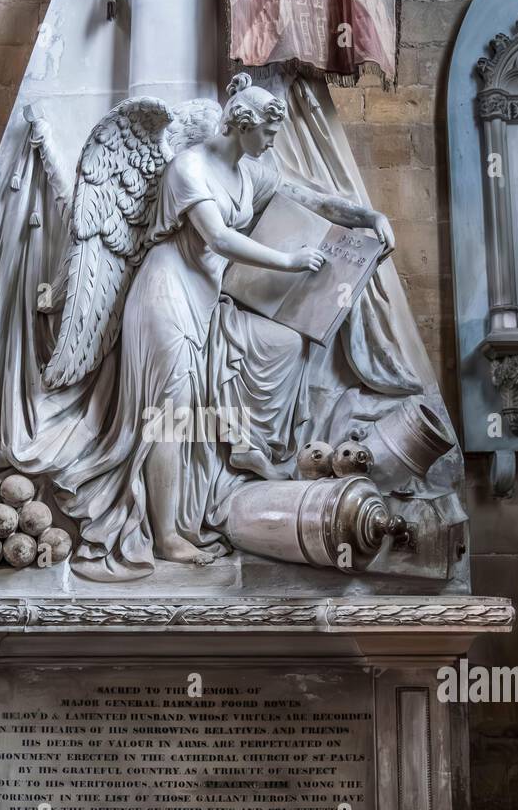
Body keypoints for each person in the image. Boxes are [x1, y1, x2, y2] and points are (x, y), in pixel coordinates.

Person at [55, 74, 395, 580]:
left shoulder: (247, 171)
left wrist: (369, 216)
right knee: (165, 419)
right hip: (165, 295)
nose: (274, 144)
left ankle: (184, 517)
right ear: (243, 125)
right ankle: (166, 537)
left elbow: (311, 199)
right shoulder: (188, 167)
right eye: (269, 135)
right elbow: (218, 238)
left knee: (187, 412)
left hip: (202, 300)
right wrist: (289, 261)